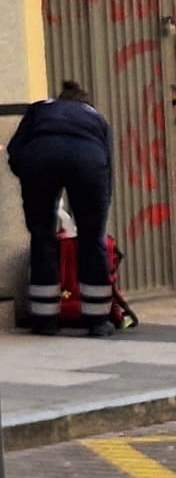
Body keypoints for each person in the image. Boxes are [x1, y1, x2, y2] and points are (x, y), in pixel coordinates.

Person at [8, 79, 116, 337]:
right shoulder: (96, 118)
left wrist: (29, 176)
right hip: (88, 160)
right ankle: (97, 321)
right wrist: (100, 209)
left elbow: (14, 149)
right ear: (86, 103)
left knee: (42, 236)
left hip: (40, 157)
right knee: (92, 240)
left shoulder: (40, 109)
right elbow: (108, 164)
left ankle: (45, 321)